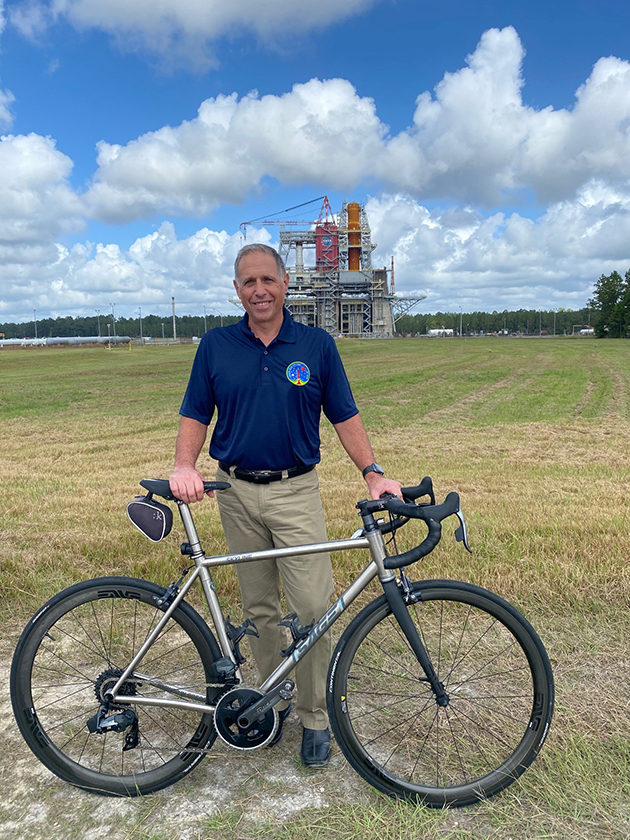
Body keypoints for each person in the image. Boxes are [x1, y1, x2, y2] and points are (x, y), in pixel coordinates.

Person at [169, 243, 402, 767]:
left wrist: (373, 473)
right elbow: (194, 413)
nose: (259, 291)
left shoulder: (316, 344)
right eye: (248, 283)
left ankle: (314, 716)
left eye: (267, 281)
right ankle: (269, 702)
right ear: (237, 290)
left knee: (315, 608)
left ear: (285, 284)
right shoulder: (216, 345)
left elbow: (344, 414)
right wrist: (185, 465)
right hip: (233, 492)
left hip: (297, 490)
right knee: (260, 610)